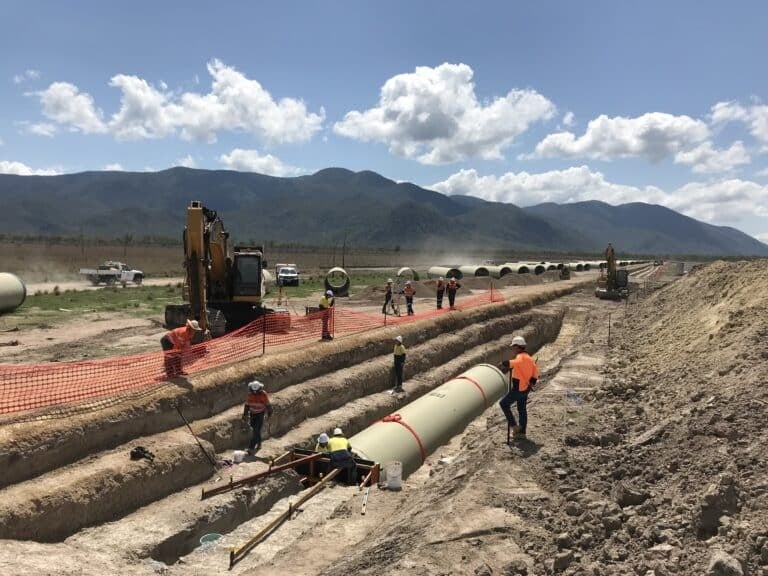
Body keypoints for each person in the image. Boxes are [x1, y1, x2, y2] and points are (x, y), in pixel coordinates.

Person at [498, 336, 539, 441]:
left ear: (518, 346)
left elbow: (513, 363)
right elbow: (535, 373)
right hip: (526, 389)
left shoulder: (520, 357)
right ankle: (522, 432)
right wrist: (531, 383)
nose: (513, 349)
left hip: (518, 389)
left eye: (513, 347)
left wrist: (503, 364)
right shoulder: (529, 358)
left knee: (503, 404)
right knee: (522, 409)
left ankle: (514, 426)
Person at [242, 380, 273, 455]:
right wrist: (245, 414)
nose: (255, 393)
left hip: (260, 414)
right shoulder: (250, 395)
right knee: (256, 430)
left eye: (256, 391)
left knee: (256, 430)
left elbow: (268, 405)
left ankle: (251, 448)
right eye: (254, 391)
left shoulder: (263, 394)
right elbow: (247, 405)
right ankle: (259, 443)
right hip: (252, 414)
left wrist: (269, 413)